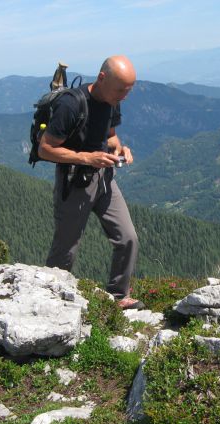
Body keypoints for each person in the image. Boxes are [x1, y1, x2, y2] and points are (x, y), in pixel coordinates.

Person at [39, 55, 144, 310]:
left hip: (104, 178)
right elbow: (45, 149)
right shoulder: (71, 105)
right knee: (66, 248)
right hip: (75, 181)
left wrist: (121, 150)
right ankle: (50, 301)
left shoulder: (112, 100)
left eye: (128, 91)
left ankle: (118, 296)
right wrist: (86, 157)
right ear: (102, 78)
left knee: (127, 237)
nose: (124, 96)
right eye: (121, 90)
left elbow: (111, 137)